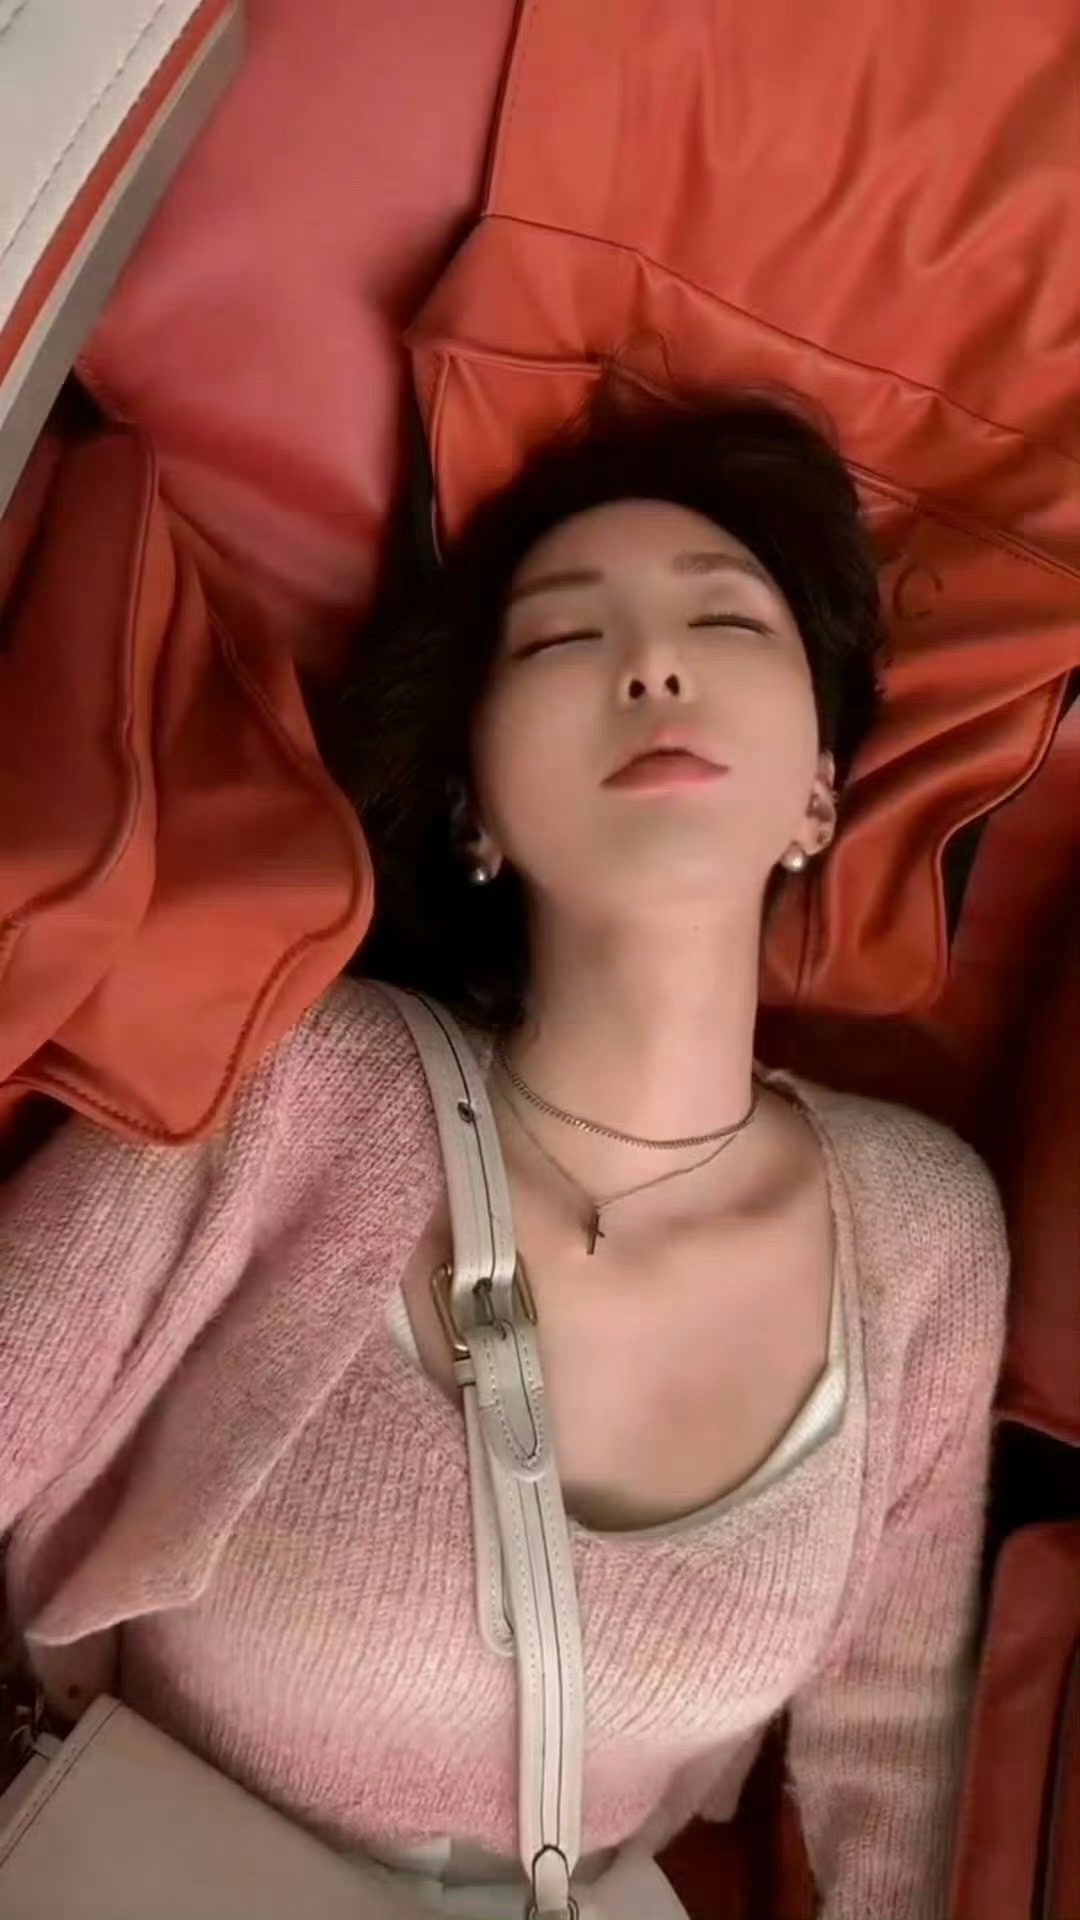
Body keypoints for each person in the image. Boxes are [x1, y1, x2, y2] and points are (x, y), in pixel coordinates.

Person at [0, 387, 1007, 1919]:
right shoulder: (294, 1078)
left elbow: (894, 1757)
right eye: (560, 638)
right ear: (475, 806)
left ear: (819, 783)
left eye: (727, 621)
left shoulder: (925, 1234)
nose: (652, 664)